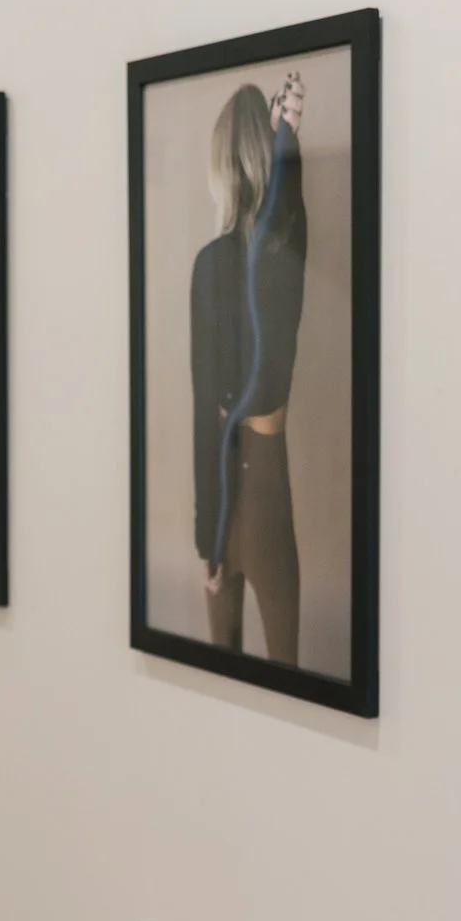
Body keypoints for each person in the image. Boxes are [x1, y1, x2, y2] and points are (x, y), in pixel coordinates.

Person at [190, 72, 307, 663]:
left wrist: (207, 536)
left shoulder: (213, 263)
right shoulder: (284, 251)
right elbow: (285, 213)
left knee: (222, 674)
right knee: (286, 672)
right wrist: (286, 134)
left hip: (226, 496)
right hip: (265, 497)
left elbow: (202, 411)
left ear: (221, 167)